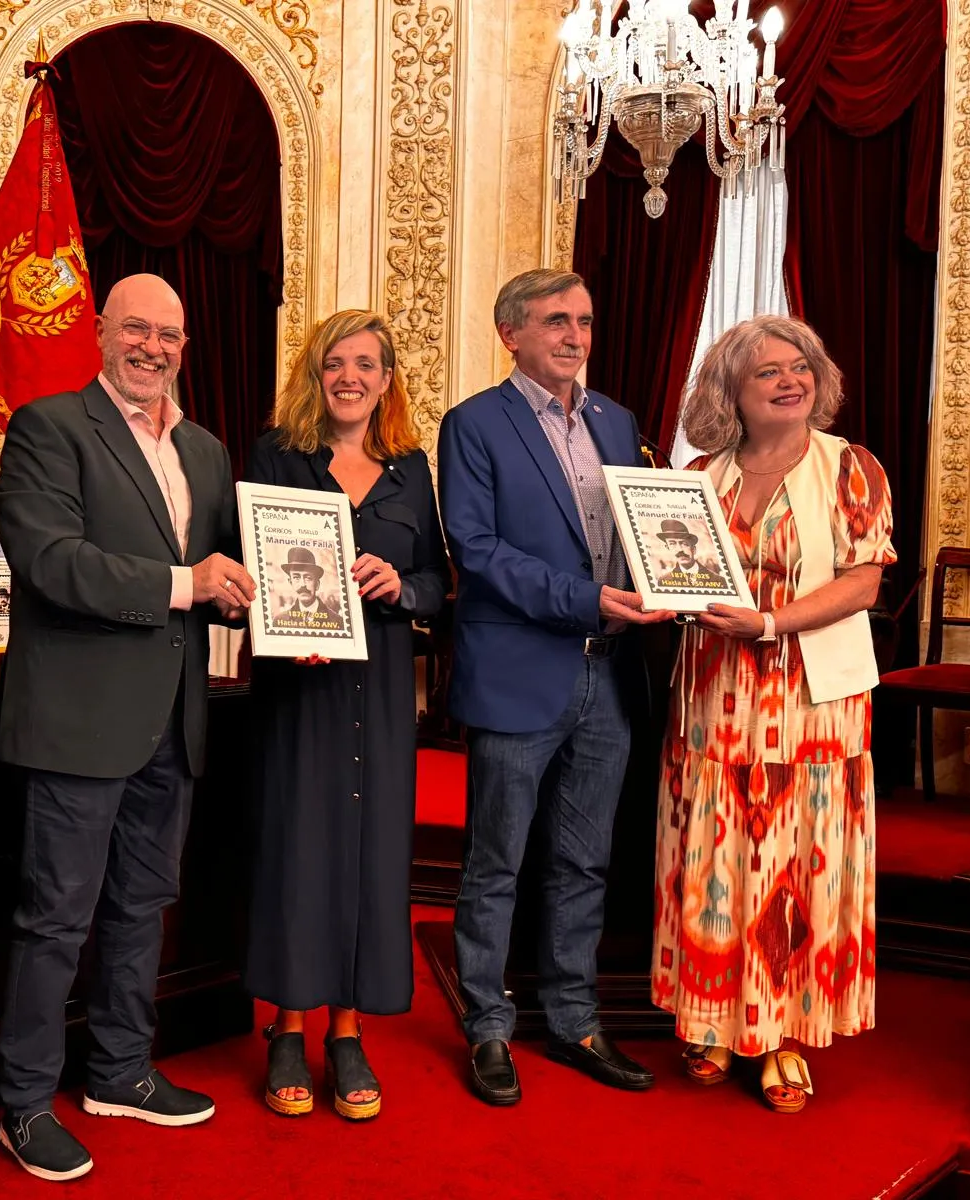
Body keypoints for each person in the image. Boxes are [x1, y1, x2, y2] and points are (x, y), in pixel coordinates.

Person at [0, 273, 256, 1182]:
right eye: (136, 329)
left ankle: (119, 1071)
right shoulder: (49, 427)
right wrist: (190, 584)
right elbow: (51, 562)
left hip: (172, 722)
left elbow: (219, 575)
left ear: (185, 346)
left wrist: (263, 599)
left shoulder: (206, 451)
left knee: (143, 906)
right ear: (101, 332)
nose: (152, 348)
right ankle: (26, 1103)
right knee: (55, 921)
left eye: (169, 335)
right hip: (77, 722)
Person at [437, 268, 671, 1106]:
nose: (576, 336)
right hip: (519, 673)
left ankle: (575, 1022)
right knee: (496, 861)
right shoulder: (474, 424)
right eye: (556, 321)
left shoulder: (617, 421)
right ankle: (488, 1027)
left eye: (585, 320)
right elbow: (476, 550)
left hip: (609, 675)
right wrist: (587, 598)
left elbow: (642, 531)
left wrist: (673, 580)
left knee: (584, 861)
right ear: (511, 334)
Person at [655, 314, 894, 1113]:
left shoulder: (851, 467)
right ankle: (714, 1019)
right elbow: (679, 574)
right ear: (732, 390)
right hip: (712, 700)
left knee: (799, 868)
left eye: (800, 367)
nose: (790, 380)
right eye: (769, 371)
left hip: (812, 703)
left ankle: (785, 1033)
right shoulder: (700, 474)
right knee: (713, 865)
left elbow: (864, 583)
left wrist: (768, 623)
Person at [245, 309, 449, 1120]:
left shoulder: (411, 468)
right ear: (316, 374)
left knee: (372, 850)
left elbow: (437, 581)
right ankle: (289, 1024)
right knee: (299, 847)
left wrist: (403, 587)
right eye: (335, 363)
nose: (350, 378)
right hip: (300, 687)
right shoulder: (277, 455)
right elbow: (250, 564)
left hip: (384, 688)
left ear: (387, 379)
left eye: (366, 364)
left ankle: (348, 1029)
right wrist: (283, 625)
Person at [273, 545, 344, 627]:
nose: (302, 584)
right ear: (290, 582)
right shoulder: (279, 621)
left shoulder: (338, 622)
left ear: (317, 584)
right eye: (296, 577)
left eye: (308, 578)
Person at [654, 520, 726, 588]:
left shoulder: (719, 581)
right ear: (668, 548)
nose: (680, 549)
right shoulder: (663, 581)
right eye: (672, 544)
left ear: (694, 549)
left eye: (684, 543)